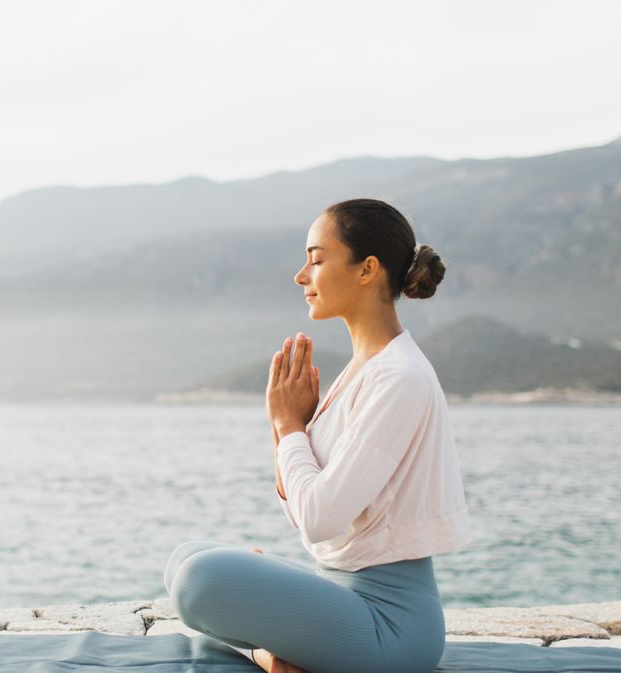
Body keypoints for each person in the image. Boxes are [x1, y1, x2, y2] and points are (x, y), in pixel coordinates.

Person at [163, 198, 472, 673]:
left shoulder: (399, 378)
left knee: (200, 581)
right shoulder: (362, 371)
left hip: (392, 629)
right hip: (339, 592)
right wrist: (283, 427)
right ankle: (278, 654)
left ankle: (270, 653)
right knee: (187, 557)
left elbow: (319, 519)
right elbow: (300, 506)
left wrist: (290, 427)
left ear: (367, 269)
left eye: (316, 258)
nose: (301, 275)